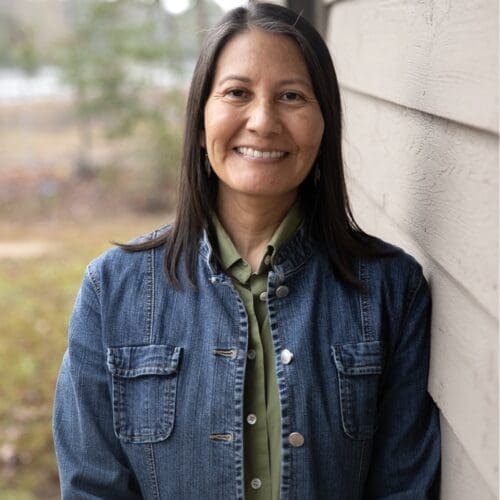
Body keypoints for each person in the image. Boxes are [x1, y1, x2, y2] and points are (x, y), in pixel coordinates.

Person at [53, 2, 441, 499]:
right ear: (199, 122)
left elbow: (404, 488)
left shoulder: (392, 290)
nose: (262, 121)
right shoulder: (112, 290)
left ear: (325, 128)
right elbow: (92, 489)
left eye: (292, 96)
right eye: (237, 92)